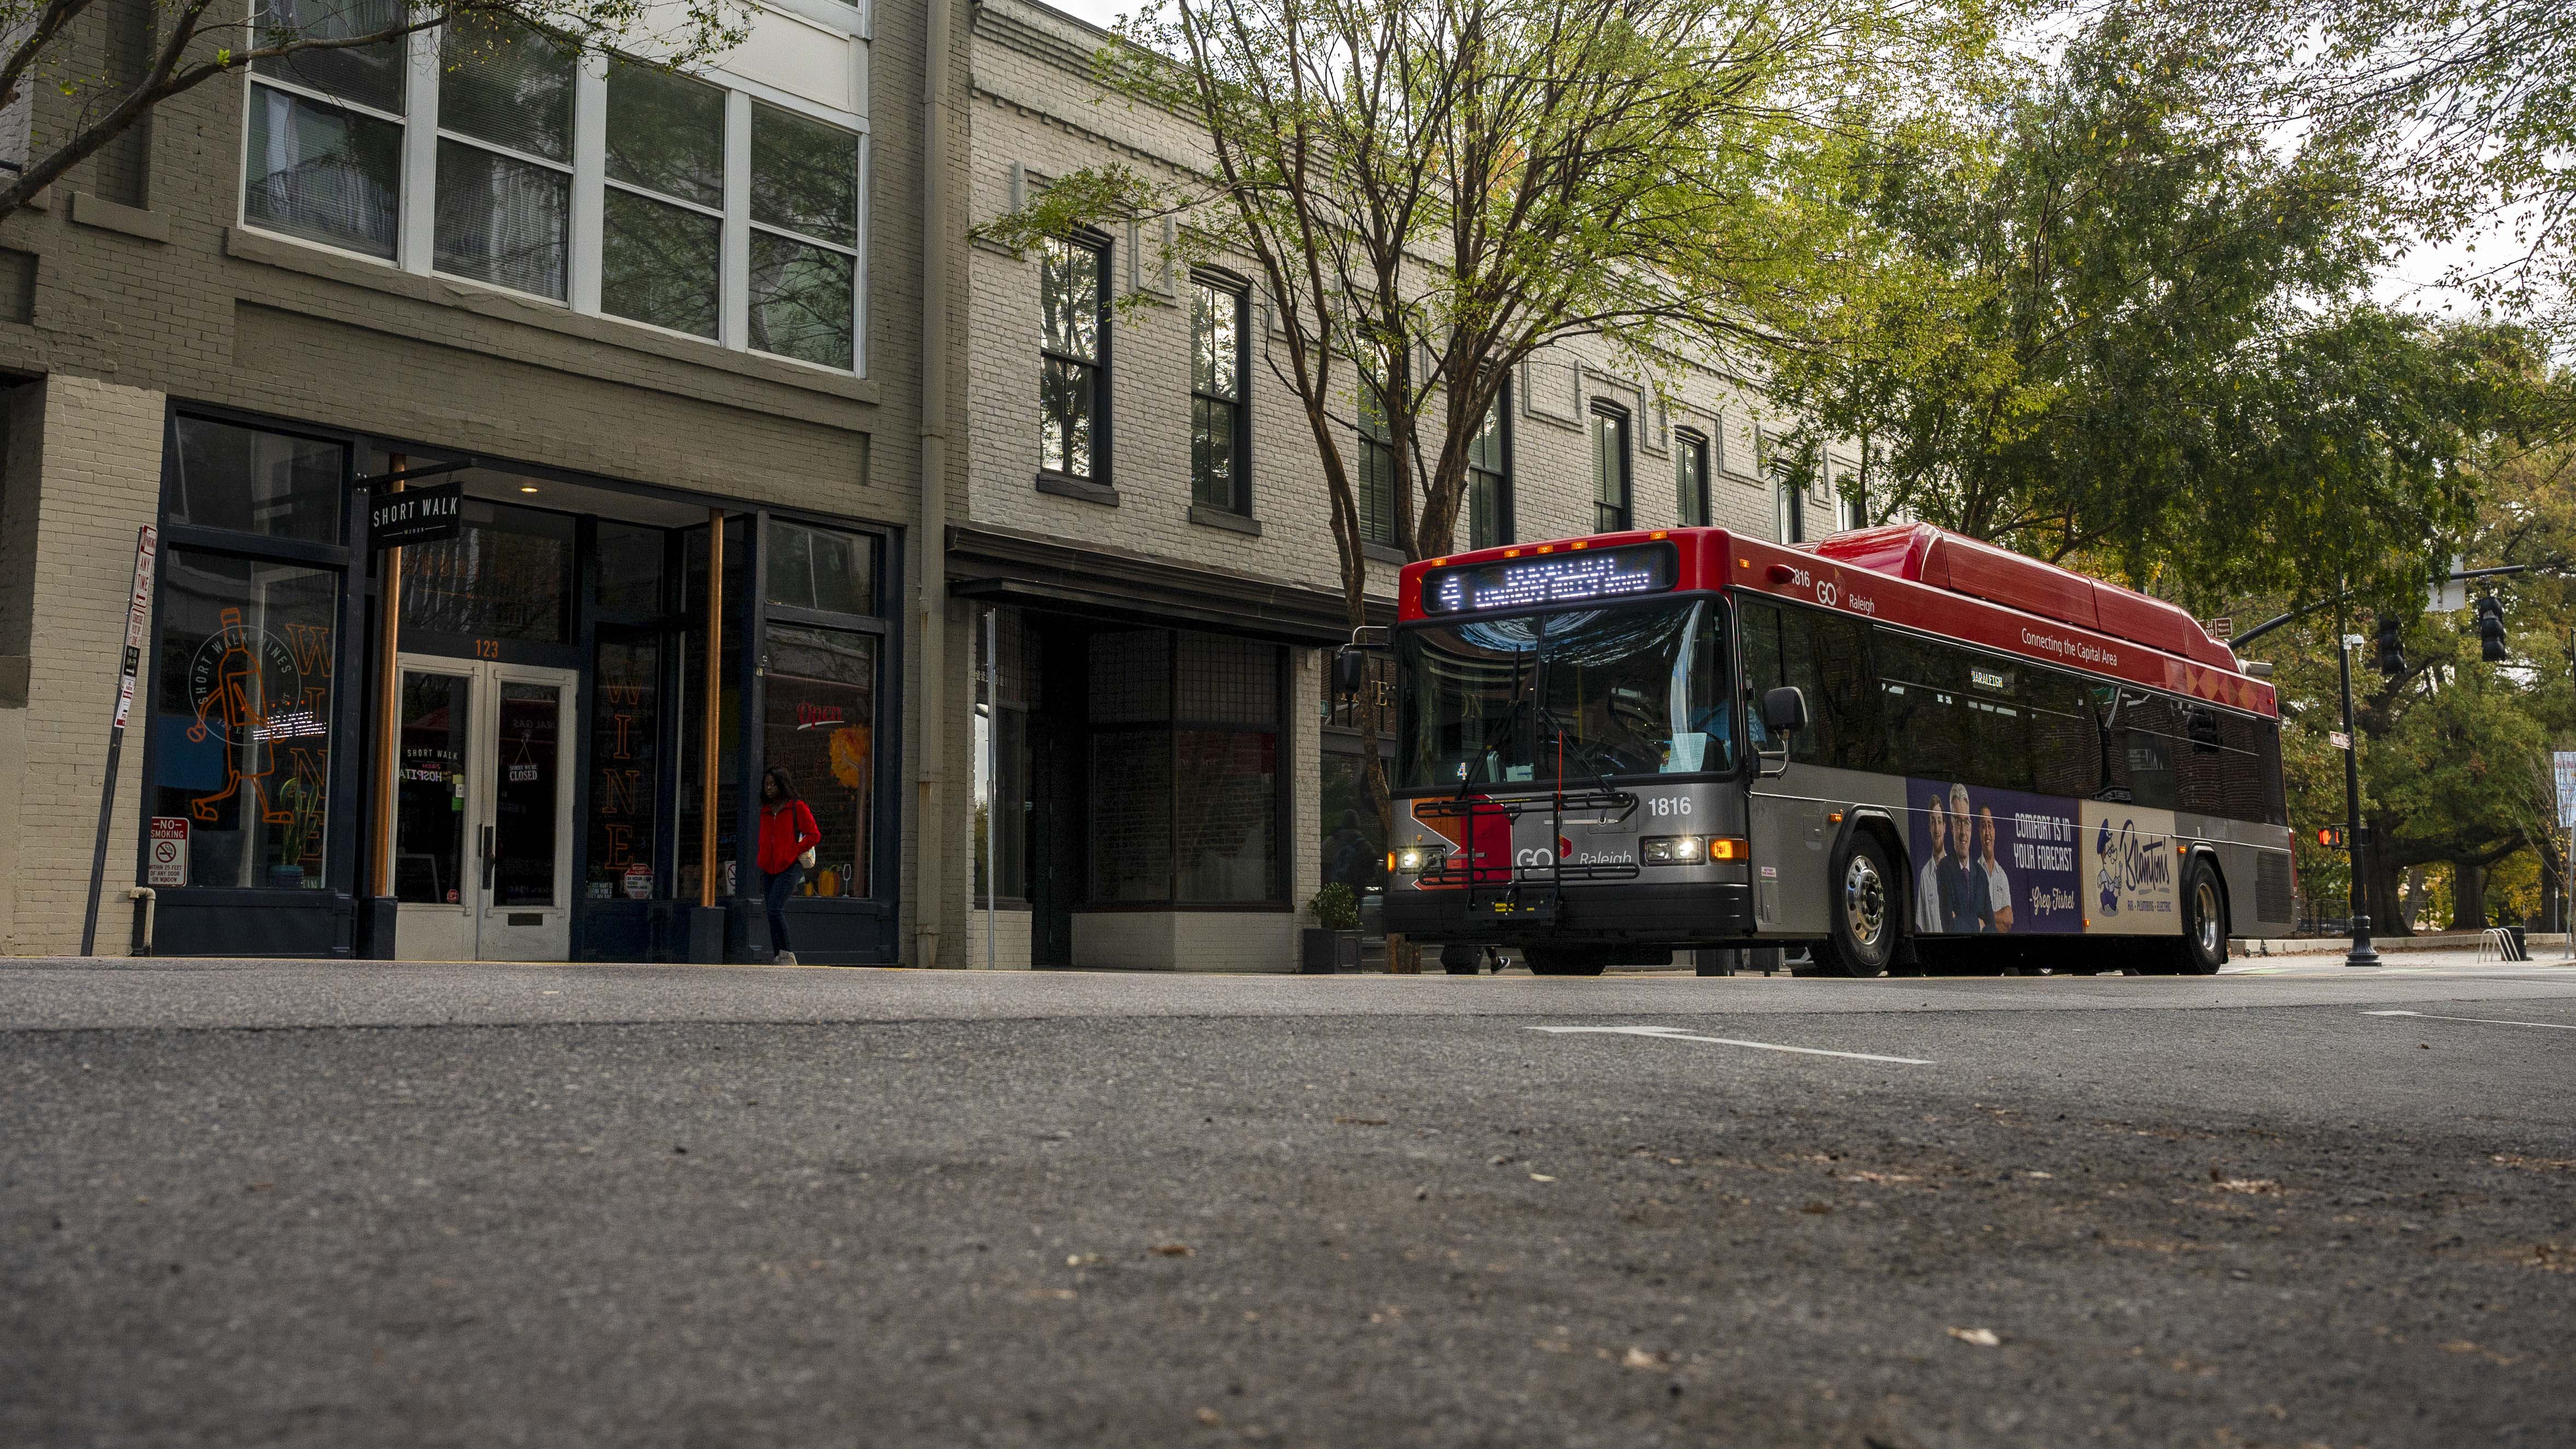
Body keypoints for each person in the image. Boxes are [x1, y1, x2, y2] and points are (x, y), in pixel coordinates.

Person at [756, 767, 821, 965]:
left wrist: (794, 850)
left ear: (782, 784)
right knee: (771, 912)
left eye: (773, 784)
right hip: (769, 868)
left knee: (776, 908)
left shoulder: (796, 807)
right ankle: (778, 956)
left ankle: (787, 955)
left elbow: (814, 835)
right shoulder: (766, 811)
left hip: (790, 866)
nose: (769, 788)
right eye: (766, 784)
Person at [1944, 782, 1987, 932]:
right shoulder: (1944, 870)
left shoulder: (1981, 874)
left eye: (1966, 822)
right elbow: (1949, 925)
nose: (1963, 832)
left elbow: (1992, 927)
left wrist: (1961, 921)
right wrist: (1978, 924)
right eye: (1958, 822)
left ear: (1971, 826)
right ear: (1951, 827)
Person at [1976, 806, 2014, 933]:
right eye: (1983, 826)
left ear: (1994, 832)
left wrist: (1984, 918)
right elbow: (1971, 919)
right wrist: (1998, 917)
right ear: (1979, 833)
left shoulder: (2002, 876)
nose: (1987, 832)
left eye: (1989, 826)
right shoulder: (1972, 872)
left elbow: (2008, 921)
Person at [1916, 796, 1950, 935]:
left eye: (1939, 821)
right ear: (1929, 827)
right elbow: (1921, 925)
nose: (1937, 830)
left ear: (1945, 827)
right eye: (1933, 822)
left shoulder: (1957, 870)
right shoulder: (1925, 874)